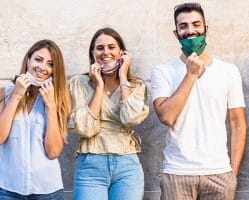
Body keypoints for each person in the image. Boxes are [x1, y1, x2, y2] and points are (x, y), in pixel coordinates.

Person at [151, 3, 246, 200]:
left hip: (219, 173)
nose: (190, 30)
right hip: (177, 173)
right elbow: (167, 117)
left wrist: (232, 174)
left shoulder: (228, 71)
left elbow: (238, 124)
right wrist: (191, 75)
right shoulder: (163, 71)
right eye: (183, 26)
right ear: (176, 33)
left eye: (196, 24)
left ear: (206, 29)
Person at [68, 27, 149, 200]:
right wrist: (99, 87)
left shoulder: (136, 85)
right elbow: (86, 129)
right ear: (93, 53)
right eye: (100, 48)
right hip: (91, 165)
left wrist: (123, 77)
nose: (106, 52)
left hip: (128, 166)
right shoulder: (78, 83)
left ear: (122, 52)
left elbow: (130, 119)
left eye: (111, 47)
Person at [0, 39, 71, 199]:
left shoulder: (60, 98)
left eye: (50, 64)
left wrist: (51, 106)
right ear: (28, 60)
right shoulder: (5, 93)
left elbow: (53, 152)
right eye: (38, 59)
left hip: (47, 191)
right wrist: (16, 96)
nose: (42, 67)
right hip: (7, 189)